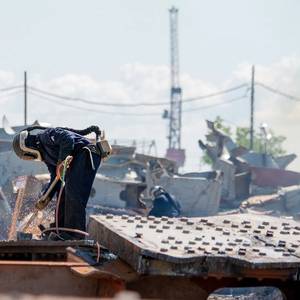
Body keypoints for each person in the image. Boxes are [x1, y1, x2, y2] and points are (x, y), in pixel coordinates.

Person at [13, 125, 104, 239]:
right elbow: (55, 178)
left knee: (73, 193)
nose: (31, 158)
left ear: (28, 146)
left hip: (86, 153)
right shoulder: (47, 157)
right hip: (75, 161)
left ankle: (75, 234)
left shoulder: (46, 135)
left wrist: (61, 161)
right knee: (62, 195)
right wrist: (46, 197)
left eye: (29, 156)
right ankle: (60, 229)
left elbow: (68, 139)